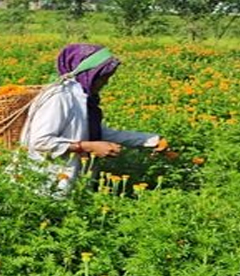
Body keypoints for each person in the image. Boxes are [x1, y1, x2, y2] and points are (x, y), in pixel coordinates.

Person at [16, 43, 162, 196]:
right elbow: (40, 141)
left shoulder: (81, 96)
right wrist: (87, 146)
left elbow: (96, 132)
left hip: (68, 182)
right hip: (40, 184)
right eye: (102, 77)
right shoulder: (59, 97)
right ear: (88, 74)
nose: (106, 82)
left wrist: (151, 140)